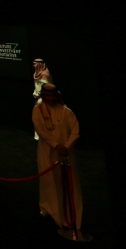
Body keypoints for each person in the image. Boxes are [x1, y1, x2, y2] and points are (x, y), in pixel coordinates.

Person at [32, 84, 83, 231]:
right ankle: (48, 209)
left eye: (53, 95)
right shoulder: (37, 110)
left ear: (57, 95)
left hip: (66, 154)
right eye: (47, 95)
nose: (51, 98)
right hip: (46, 152)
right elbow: (41, 130)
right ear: (43, 96)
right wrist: (56, 145)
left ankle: (66, 213)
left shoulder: (66, 111)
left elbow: (75, 131)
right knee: (48, 181)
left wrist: (66, 146)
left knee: (66, 182)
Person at [32, 59, 53, 139]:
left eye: (35, 64)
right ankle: (38, 136)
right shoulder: (36, 73)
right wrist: (35, 93)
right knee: (38, 117)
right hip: (38, 99)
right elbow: (36, 86)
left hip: (44, 99)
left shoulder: (45, 75)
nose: (34, 65)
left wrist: (37, 94)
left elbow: (46, 88)